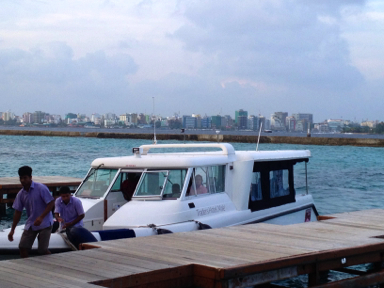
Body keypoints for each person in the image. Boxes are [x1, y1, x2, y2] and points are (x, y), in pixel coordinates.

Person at [8, 166, 55, 258]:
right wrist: (12, 230)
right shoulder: (21, 194)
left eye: (25, 178)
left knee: (42, 250)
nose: (22, 180)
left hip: (45, 223)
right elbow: (18, 212)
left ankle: (53, 261)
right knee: (22, 247)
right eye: (21, 178)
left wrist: (41, 217)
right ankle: (26, 267)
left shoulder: (41, 188)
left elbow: (51, 203)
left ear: (30, 177)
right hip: (31, 223)